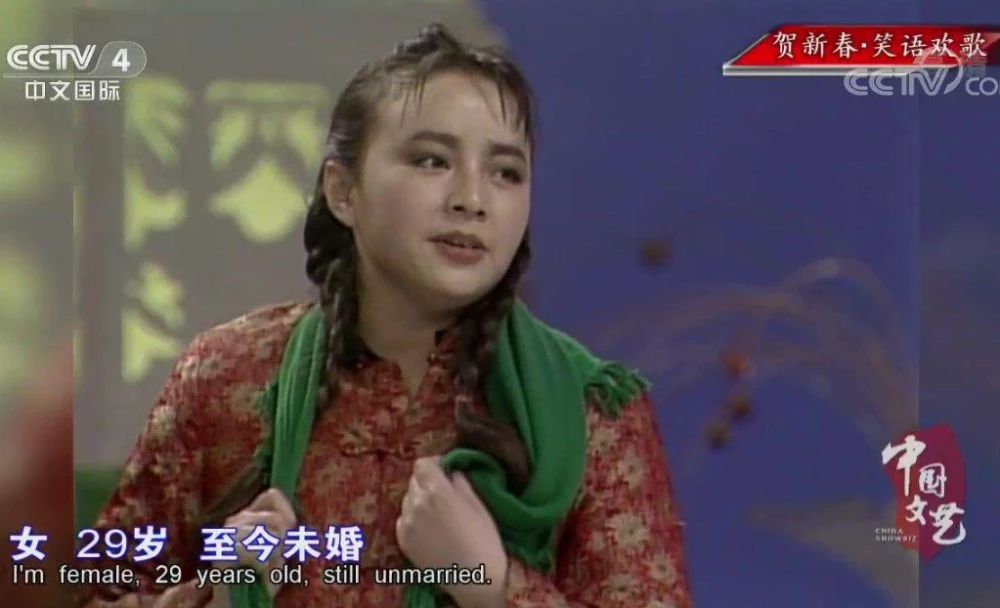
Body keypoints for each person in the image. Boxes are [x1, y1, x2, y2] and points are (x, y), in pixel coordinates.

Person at [79, 23, 692, 608]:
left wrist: (493, 586)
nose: (472, 199)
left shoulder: (590, 413)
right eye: (432, 161)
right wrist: (219, 595)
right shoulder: (226, 378)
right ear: (343, 191)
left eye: (506, 173)